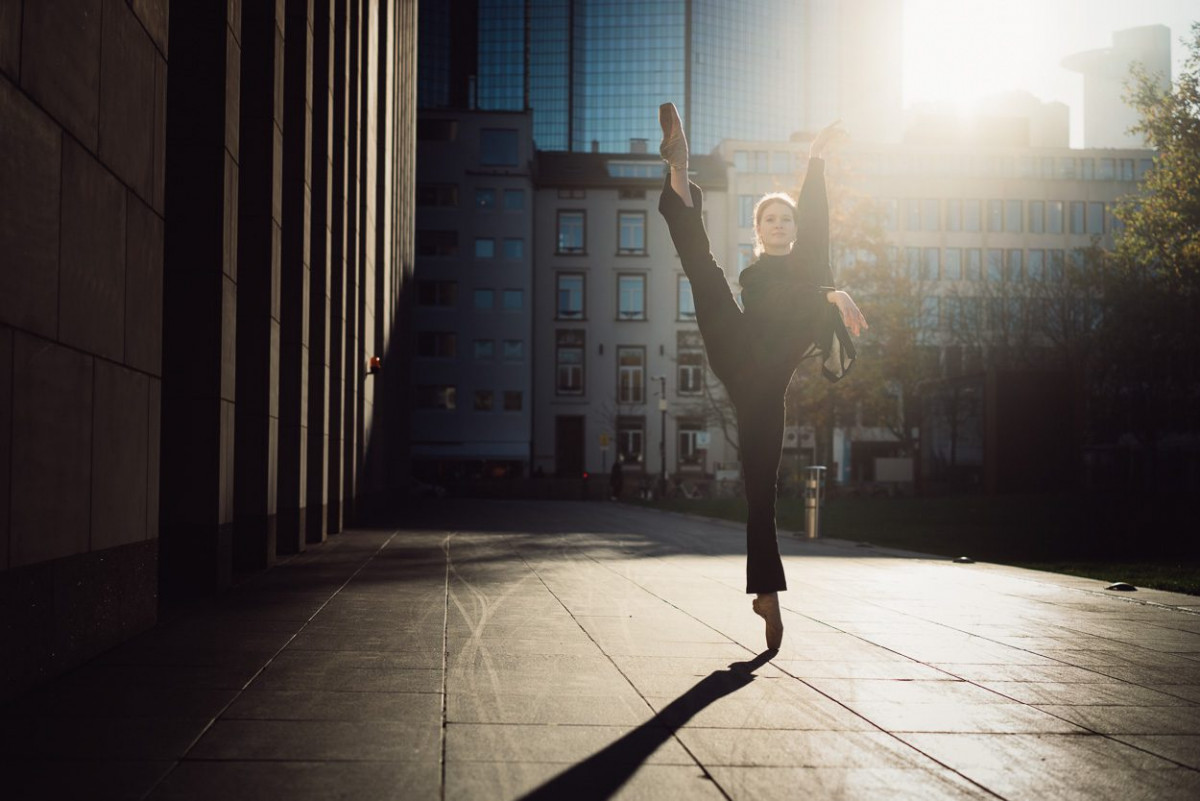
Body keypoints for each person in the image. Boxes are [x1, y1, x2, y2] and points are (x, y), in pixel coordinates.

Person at [656, 102, 867, 650]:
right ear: (758, 231)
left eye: (787, 218)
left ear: (795, 230)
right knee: (703, 271)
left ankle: (767, 595)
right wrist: (831, 293)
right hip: (740, 348)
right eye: (769, 219)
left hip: (764, 390)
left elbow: (818, 218)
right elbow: (775, 305)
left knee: (761, 491)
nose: (780, 224)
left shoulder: (812, 266)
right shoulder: (755, 275)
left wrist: (816, 160)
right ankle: (679, 175)